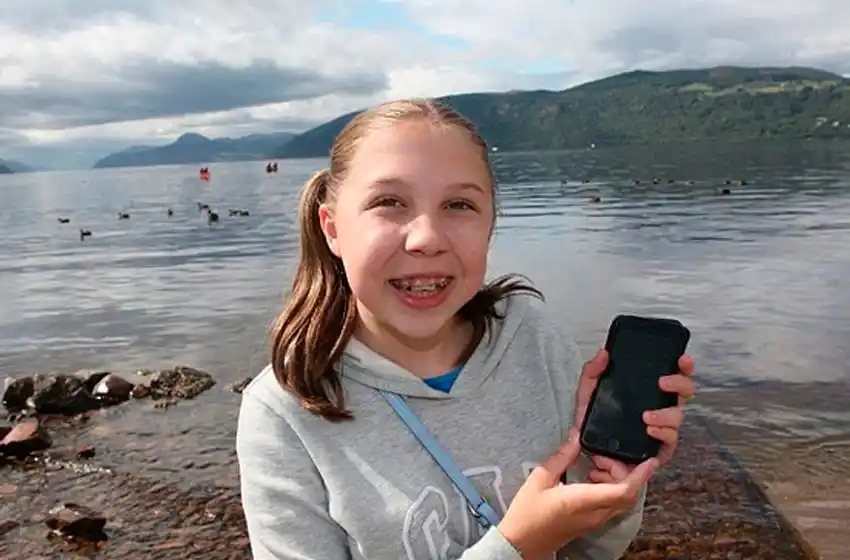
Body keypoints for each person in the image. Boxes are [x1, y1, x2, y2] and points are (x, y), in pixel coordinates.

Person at [236, 98, 696, 560]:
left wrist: (608, 484)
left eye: (459, 204)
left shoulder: (532, 338)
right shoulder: (284, 413)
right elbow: (531, 544)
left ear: (490, 225)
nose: (426, 238)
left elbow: (588, 552)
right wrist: (516, 547)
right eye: (389, 203)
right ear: (332, 229)